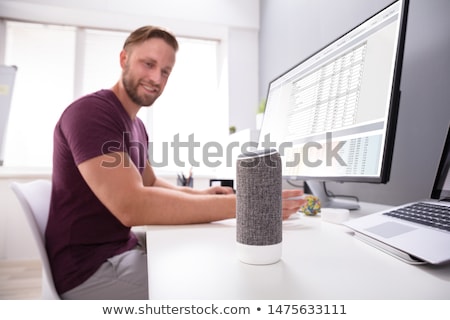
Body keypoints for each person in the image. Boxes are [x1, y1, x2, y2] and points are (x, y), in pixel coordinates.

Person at [46, 25, 304, 300]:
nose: (156, 78)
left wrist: (200, 194)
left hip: (120, 248)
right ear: (124, 59)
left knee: (208, 251)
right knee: (215, 286)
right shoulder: (92, 114)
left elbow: (150, 183)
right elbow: (132, 206)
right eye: (148, 64)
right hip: (90, 269)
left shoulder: (136, 127)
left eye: (165, 71)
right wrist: (249, 206)